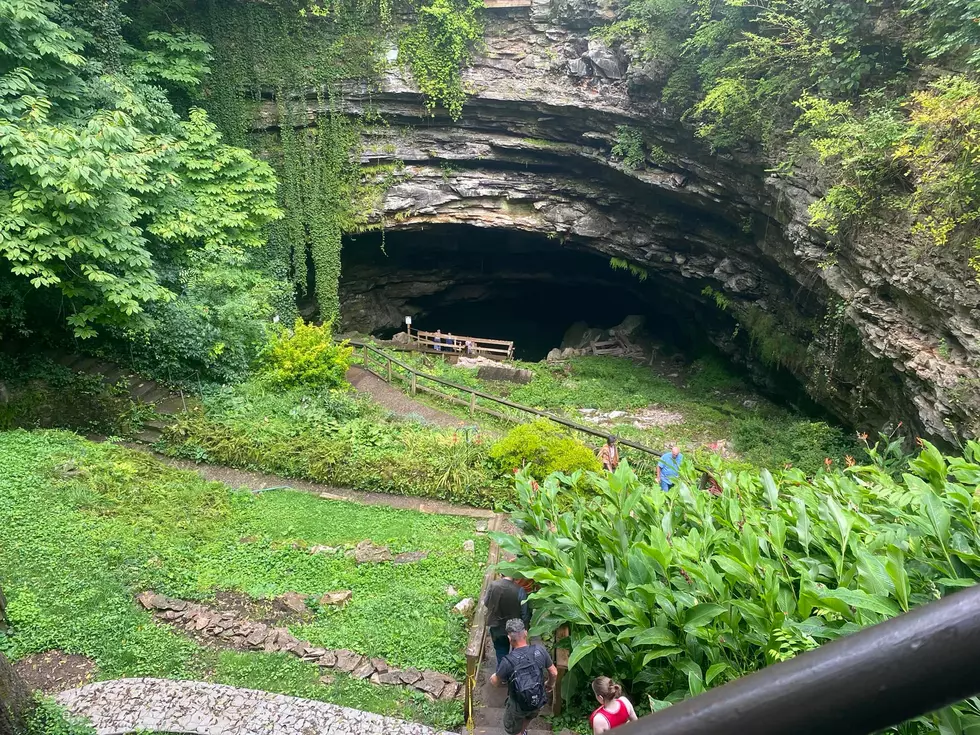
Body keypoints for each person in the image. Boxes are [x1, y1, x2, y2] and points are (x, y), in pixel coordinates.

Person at [491, 619, 558, 735]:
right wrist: (549, 684)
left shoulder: (507, 662)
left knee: (512, 727)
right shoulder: (539, 650)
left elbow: (496, 682)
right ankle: (523, 731)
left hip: (517, 704)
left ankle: (519, 733)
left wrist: (493, 677)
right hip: (537, 698)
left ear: (509, 638)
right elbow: (554, 672)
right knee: (529, 716)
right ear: (526, 633)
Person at [484, 575, 532, 666]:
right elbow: (525, 613)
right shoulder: (520, 590)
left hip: (497, 626)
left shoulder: (493, 585)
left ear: (501, 574)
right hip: (515, 629)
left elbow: (486, 603)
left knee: (501, 652)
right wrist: (525, 628)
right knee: (516, 653)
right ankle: (513, 674)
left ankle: (502, 675)